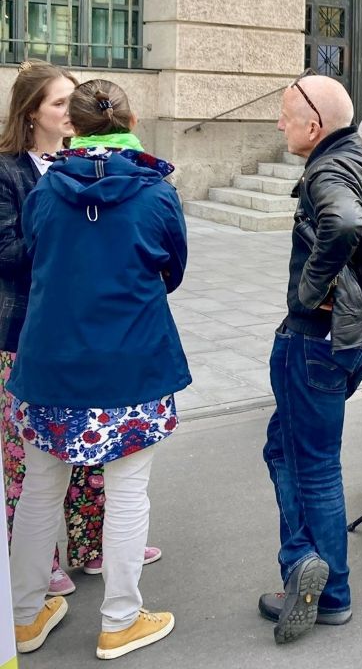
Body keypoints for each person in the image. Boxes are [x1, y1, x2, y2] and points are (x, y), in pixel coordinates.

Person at [7, 78, 188, 659]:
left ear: (76, 126)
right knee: (128, 489)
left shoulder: (46, 190)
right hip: (130, 361)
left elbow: (35, 254)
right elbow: (173, 267)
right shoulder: (156, 192)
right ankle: (120, 619)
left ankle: (22, 617)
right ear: (129, 119)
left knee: (40, 488)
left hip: (52, 360)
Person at [259, 74, 362, 644]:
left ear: (314, 125)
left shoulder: (327, 170)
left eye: (285, 116)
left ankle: (320, 580)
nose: (280, 125)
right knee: (288, 446)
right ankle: (306, 564)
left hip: (315, 340)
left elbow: (347, 224)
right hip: (357, 339)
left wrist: (308, 292)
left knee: (310, 461)